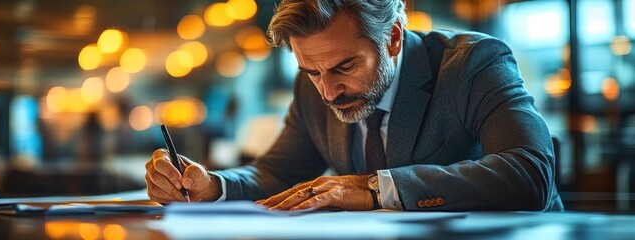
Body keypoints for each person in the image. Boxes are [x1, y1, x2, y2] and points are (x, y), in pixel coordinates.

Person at [145, 0, 564, 211]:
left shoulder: (473, 63)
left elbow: (531, 172)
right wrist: (211, 186)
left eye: (345, 66)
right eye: (312, 71)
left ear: (394, 38)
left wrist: (372, 188)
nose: (328, 91)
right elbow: (277, 173)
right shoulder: (314, 83)